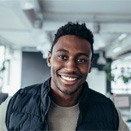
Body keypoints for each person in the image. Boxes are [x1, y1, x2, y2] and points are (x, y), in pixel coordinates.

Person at [0, 22, 129, 131]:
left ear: (90, 66)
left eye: (82, 60)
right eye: (63, 57)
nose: (71, 67)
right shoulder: (15, 104)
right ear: (50, 59)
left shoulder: (108, 111)